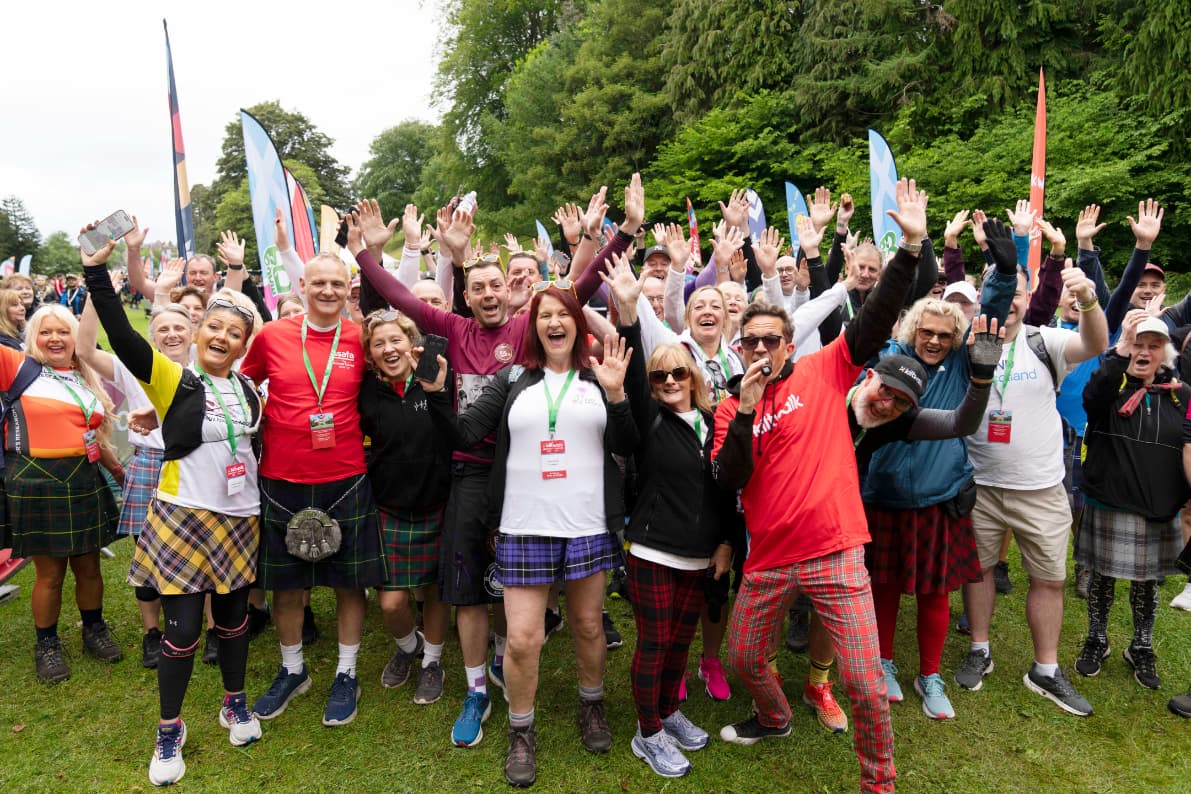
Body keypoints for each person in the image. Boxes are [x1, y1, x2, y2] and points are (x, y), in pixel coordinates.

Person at [350, 178, 642, 750]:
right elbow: (397, 297)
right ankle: (478, 687)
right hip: (469, 467)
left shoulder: (527, 329)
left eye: (495, 285)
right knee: (465, 589)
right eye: (476, 285)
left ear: (511, 294)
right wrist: (368, 252)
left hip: (528, 475)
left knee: (528, 590)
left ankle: (526, 661)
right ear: (465, 292)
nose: (487, 294)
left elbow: (578, 287)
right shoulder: (452, 329)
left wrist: (624, 231)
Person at [710, 178, 931, 793]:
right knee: (744, 658)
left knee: (862, 679)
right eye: (749, 340)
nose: (759, 348)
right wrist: (748, 409)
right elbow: (731, 478)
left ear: (787, 342)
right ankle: (775, 716)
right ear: (739, 345)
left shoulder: (824, 368)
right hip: (769, 559)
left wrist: (910, 252)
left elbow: (874, 322)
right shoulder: (731, 408)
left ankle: (878, 783)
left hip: (835, 550)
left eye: (770, 340)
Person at [425, 281, 637, 787]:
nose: (554, 323)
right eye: (544, 316)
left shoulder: (597, 377)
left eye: (563, 314)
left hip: (586, 526)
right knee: (522, 639)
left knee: (588, 627)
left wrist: (617, 395)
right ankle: (522, 729)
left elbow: (628, 444)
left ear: (577, 324)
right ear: (533, 327)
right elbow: (466, 433)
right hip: (523, 527)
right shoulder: (512, 379)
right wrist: (435, 398)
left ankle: (592, 705)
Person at [82, 235, 265, 786]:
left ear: (242, 346)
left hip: (241, 517)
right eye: (215, 327)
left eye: (235, 333)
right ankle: (169, 729)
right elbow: (121, 336)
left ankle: (234, 702)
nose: (222, 337)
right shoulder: (174, 377)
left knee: (232, 623)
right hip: (184, 515)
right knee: (183, 630)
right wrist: (97, 271)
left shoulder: (252, 390)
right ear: (198, 331)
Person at [242, 249, 386, 729]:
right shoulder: (272, 336)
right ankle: (292, 669)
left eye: (337, 284)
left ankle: (346, 673)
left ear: (349, 290)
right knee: (286, 583)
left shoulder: (359, 337)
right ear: (301, 286)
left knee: (350, 581)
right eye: (318, 283)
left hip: (346, 475)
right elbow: (240, 385)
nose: (328, 291)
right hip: (282, 477)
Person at [960, 254, 1109, 717]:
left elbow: (1096, 341)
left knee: (1049, 578)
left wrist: (1086, 298)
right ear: (986, 296)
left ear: (1027, 299)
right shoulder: (965, 344)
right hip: (979, 484)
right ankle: (979, 648)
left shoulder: (1046, 341)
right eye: (999, 292)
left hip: (1040, 487)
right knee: (979, 570)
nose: (1008, 302)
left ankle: (1045, 669)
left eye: (1017, 293)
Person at [606, 263, 734, 778]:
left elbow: (724, 487)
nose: (670, 381)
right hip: (655, 552)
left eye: (679, 372)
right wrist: (629, 310)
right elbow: (633, 380)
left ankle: (667, 710)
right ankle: (648, 732)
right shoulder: (651, 418)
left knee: (681, 641)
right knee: (655, 643)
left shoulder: (712, 419)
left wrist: (725, 541)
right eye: (661, 376)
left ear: (694, 376)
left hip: (700, 553)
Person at [2, 300, 121, 684]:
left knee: (89, 566)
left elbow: (91, 435)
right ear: (32, 337)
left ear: (75, 338)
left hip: (83, 476)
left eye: (63, 331)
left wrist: (116, 468)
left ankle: (94, 629)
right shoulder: (17, 366)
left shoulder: (83, 376)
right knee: (49, 574)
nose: (55, 338)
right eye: (46, 331)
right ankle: (47, 644)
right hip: (35, 480)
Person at [1073, 313, 1190, 690]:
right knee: (1102, 577)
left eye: (1153, 346)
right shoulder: (1111, 386)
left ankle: (1141, 646)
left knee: (1148, 584)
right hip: (1111, 499)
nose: (1144, 352)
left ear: (1165, 353)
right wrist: (1119, 349)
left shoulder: (1181, 394)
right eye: (1138, 344)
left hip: (1159, 505)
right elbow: (1091, 397)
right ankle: (1097, 639)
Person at [77, 293, 194, 669]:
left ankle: (209, 628)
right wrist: (94, 300)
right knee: (147, 552)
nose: (172, 334)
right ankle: (152, 634)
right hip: (150, 462)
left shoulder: (207, 366)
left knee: (199, 546)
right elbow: (85, 350)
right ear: (152, 336)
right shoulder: (134, 366)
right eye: (163, 329)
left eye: (179, 327)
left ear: (192, 332)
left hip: (194, 462)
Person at [357, 308, 452, 706]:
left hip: (438, 501)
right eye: (379, 343)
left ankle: (432, 661)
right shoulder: (364, 388)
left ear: (411, 341)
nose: (388, 348)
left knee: (433, 591)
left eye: (395, 339)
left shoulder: (433, 375)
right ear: (370, 353)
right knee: (392, 602)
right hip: (389, 507)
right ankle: (408, 645)